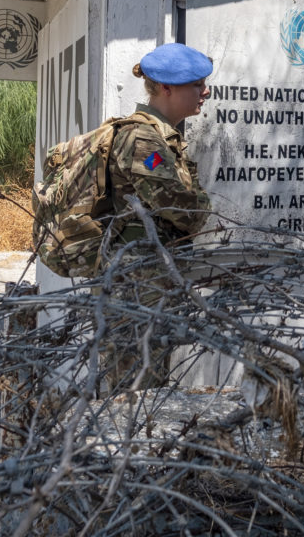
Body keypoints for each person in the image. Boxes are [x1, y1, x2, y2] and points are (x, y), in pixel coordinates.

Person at [101, 42, 214, 392]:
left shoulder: (164, 140)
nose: (205, 92)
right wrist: (200, 204)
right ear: (166, 88)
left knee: (148, 381)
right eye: (196, 84)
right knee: (136, 390)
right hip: (138, 285)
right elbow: (184, 211)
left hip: (152, 281)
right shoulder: (143, 141)